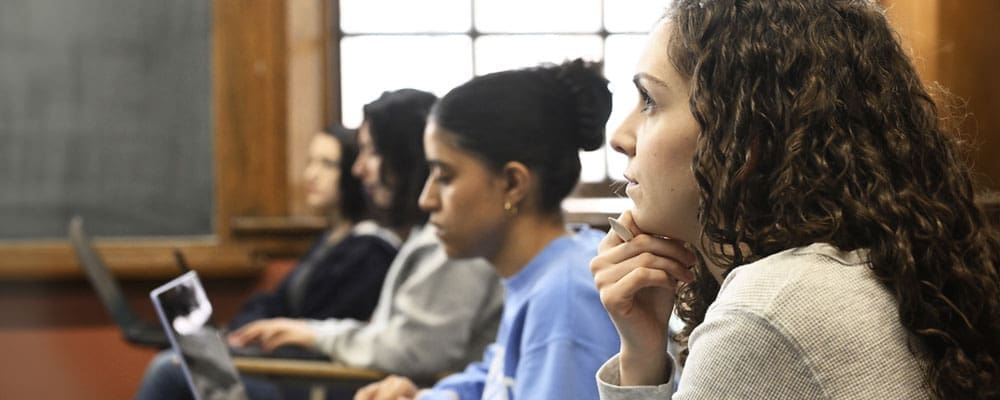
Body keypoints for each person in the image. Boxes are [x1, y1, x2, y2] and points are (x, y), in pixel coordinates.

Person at [591, 1, 1000, 399]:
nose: (620, 136)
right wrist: (642, 354)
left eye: (650, 101)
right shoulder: (861, 267)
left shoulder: (769, 312)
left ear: (745, 132)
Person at [354, 59, 621, 400]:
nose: (426, 199)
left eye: (445, 177)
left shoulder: (565, 296)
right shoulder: (540, 274)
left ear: (512, 183)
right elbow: (499, 378)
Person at [227, 89, 504, 380]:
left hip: (373, 383)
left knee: (182, 372)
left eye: (371, 151)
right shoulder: (425, 237)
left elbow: (412, 353)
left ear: (403, 158)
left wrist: (316, 335)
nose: (358, 169)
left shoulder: (451, 242)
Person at [135, 127, 400, 399]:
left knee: (169, 369)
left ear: (353, 172)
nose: (311, 174)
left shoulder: (370, 251)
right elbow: (275, 302)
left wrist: (245, 346)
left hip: (306, 382)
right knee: (180, 358)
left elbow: (313, 327)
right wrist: (241, 333)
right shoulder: (330, 240)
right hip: (278, 366)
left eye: (327, 164)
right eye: (310, 162)